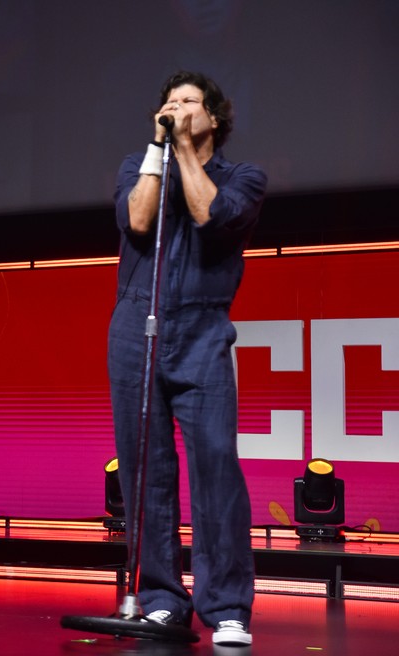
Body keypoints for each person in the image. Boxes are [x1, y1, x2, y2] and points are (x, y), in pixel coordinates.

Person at [108, 71, 267, 646]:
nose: (173, 109)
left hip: (203, 328)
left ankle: (225, 605)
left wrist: (181, 150)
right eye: (167, 102)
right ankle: (159, 599)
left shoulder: (243, 178)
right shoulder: (138, 165)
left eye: (187, 103)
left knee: (216, 465)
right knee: (144, 469)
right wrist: (160, 153)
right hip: (135, 327)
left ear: (215, 119)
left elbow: (213, 216)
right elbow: (139, 221)